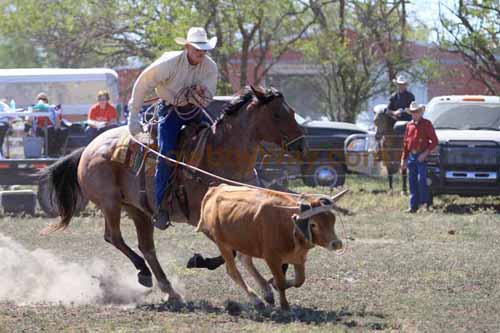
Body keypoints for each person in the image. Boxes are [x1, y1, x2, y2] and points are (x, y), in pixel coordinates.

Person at [127, 27, 218, 230]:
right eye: (197, 49)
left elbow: (209, 97)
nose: (201, 53)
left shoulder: (210, 67)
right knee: (166, 154)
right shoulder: (168, 63)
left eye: (203, 49)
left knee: (216, 141)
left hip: (194, 110)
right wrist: (133, 119)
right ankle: (161, 208)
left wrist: (201, 94)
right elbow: (142, 84)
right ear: (187, 47)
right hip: (170, 111)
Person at [400, 102, 438, 213]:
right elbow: (406, 144)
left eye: (416, 112)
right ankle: (413, 206)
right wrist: (404, 158)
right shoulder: (409, 125)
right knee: (411, 181)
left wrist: (425, 153)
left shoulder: (426, 124)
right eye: (413, 112)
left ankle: (424, 204)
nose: (414, 114)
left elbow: (434, 141)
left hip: (422, 156)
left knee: (421, 179)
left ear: (421, 112)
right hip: (412, 156)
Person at [28, 92, 68, 157]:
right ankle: (46, 153)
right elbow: (29, 120)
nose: (41, 101)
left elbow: (57, 120)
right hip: (40, 129)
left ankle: (52, 152)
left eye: (43, 99)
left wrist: (57, 129)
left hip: (49, 129)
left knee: (60, 132)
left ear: (46, 100)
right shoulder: (34, 108)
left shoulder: (52, 108)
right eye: (40, 99)